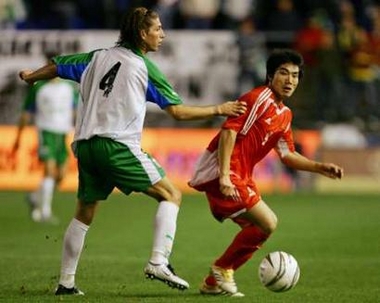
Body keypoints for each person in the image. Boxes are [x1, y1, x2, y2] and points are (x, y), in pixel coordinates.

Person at [18, 6, 247, 296]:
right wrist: (219, 109)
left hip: (85, 146)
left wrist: (31, 76)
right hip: (116, 145)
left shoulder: (95, 57)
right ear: (142, 33)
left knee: (84, 212)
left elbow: (58, 64)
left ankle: (66, 282)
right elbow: (176, 111)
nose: (162, 34)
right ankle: (158, 261)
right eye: (158, 29)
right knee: (171, 195)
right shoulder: (143, 66)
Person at [189, 49, 344, 297]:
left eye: (295, 75)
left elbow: (287, 154)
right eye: (283, 73)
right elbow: (229, 132)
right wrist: (225, 175)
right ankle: (222, 267)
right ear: (270, 76)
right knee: (268, 222)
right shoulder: (257, 98)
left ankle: (211, 282)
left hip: (241, 175)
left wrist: (318, 167)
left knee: (260, 230)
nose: (290, 80)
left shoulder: (285, 114)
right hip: (224, 170)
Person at [13, 52, 79, 223]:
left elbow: (75, 111)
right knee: (49, 171)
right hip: (46, 131)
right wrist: (18, 137)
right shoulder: (38, 87)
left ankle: (35, 196)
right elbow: (26, 114)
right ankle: (45, 212)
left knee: (60, 176)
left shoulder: (69, 87)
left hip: (63, 132)